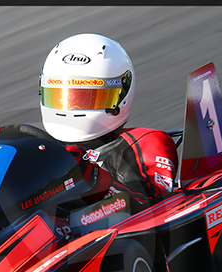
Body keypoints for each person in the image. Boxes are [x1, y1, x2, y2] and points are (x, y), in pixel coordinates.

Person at [39, 33, 178, 202]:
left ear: (122, 95)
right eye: (60, 97)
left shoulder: (143, 143)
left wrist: (92, 179)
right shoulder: (40, 149)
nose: (72, 107)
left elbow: (153, 204)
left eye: (88, 97)